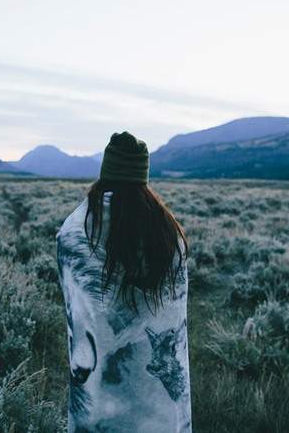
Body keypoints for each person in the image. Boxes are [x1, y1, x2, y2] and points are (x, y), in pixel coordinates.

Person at [56, 131, 192, 432]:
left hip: (97, 403)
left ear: (107, 172)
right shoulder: (168, 235)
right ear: (143, 176)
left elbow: (76, 304)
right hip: (160, 409)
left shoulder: (75, 231)